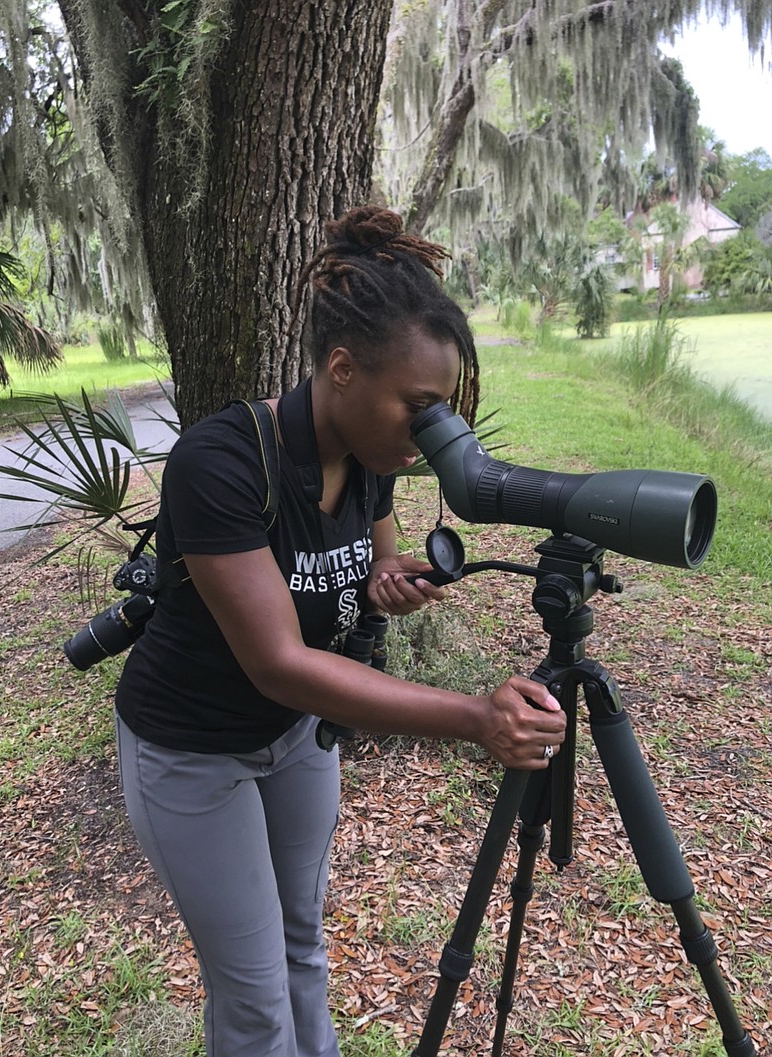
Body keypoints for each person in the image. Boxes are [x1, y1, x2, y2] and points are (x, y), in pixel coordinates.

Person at [114, 205, 567, 1057]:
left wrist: (386, 583)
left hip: (295, 739)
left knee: (303, 954)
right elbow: (281, 661)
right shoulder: (222, 461)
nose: (432, 434)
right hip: (192, 748)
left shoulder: (371, 459)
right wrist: (473, 714)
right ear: (342, 367)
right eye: (420, 407)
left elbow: (370, 569)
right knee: (251, 997)